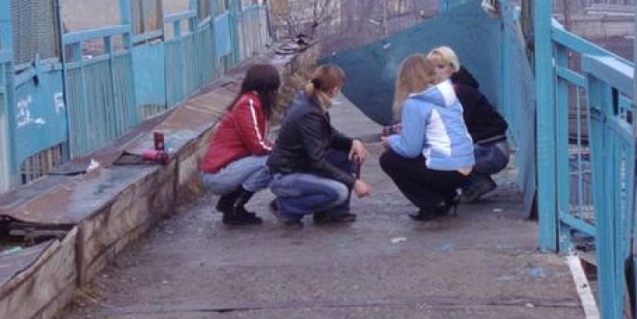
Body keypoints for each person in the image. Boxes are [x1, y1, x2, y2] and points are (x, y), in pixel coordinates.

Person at [266, 64, 371, 228]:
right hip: (286, 174)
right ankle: (286, 207)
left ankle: (334, 212)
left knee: (350, 154)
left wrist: (353, 142)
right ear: (334, 89)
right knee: (338, 192)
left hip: (298, 165)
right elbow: (317, 162)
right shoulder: (309, 112)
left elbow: (328, 134)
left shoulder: (311, 100)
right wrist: (353, 182)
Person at [379, 54, 476, 221]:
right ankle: (448, 196)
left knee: (389, 159)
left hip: (448, 170)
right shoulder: (449, 96)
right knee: (424, 157)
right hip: (467, 167)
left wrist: (391, 141)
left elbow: (410, 150)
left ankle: (431, 202)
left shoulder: (414, 104)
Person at [200, 63, 281, 225]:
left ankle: (232, 204)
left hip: (228, 169)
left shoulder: (254, 103)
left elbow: (259, 142)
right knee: (272, 161)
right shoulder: (248, 104)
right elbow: (258, 146)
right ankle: (233, 205)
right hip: (218, 174)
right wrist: (282, 150)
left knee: (272, 160)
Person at [427, 45, 510, 202]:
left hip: (492, 151)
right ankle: (475, 183)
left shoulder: (461, 92)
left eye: (440, 66)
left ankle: (474, 184)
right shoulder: (450, 91)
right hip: (485, 148)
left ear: (453, 68)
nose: (435, 72)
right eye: (431, 68)